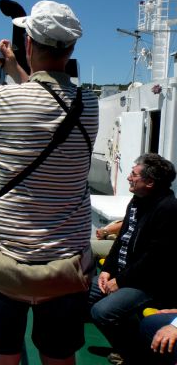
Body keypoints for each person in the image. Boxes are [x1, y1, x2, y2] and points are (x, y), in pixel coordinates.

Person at [0, 0, 98, 365]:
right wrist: (15, 70)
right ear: (71, 48)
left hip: (7, 262)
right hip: (66, 268)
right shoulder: (88, 104)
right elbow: (51, 103)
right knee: (60, 356)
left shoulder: (3, 100)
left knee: (3, 354)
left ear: (28, 44)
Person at [88, 153, 177, 364]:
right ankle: (130, 345)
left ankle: (135, 355)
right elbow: (121, 241)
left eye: (134, 174)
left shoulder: (168, 210)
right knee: (78, 294)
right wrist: (108, 270)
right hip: (122, 275)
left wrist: (120, 281)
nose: (129, 177)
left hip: (147, 283)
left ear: (149, 182)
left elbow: (154, 259)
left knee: (102, 312)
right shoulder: (137, 201)